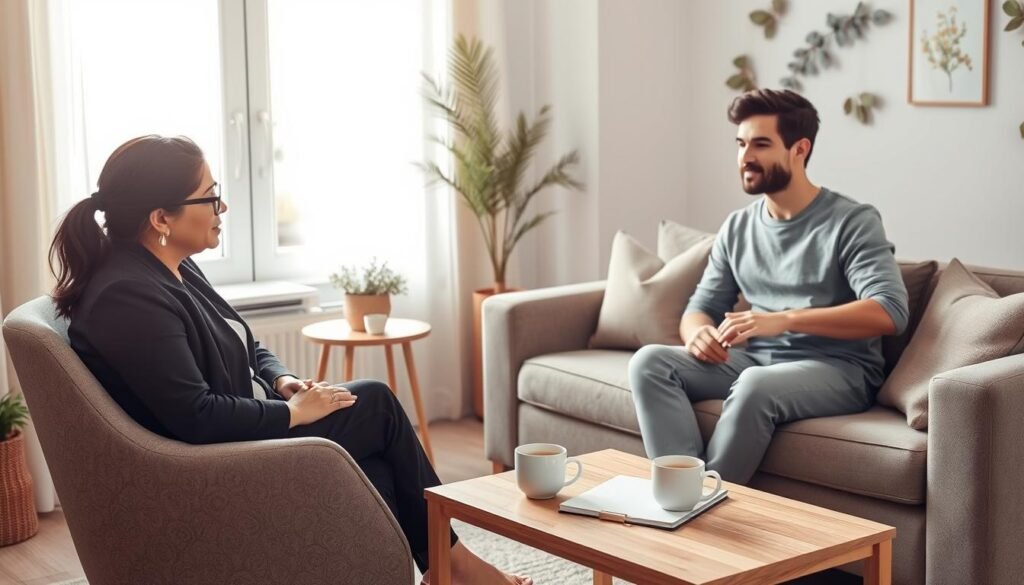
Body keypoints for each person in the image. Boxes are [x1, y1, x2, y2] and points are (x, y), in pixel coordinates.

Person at [50, 135, 531, 585]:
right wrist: (294, 413)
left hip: (237, 433)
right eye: (210, 197)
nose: (223, 208)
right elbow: (194, 417)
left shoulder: (167, 264)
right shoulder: (128, 297)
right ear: (161, 218)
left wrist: (283, 382)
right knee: (377, 405)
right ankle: (457, 567)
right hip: (212, 463)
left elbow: (244, 343)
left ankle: (440, 569)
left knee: (379, 468)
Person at [629, 89, 909, 484]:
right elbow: (699, 307)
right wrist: (698, 336)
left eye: (761, 144)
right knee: (650, 363)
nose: (745, 157)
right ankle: (680, 489)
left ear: (800, 149)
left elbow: (889, 312)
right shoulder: (738, 226)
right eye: (741, 144)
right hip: (756, 362)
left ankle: (706, 503)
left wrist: (784, 320)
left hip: (839, 369)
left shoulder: (852, 221)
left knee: (755, 385)